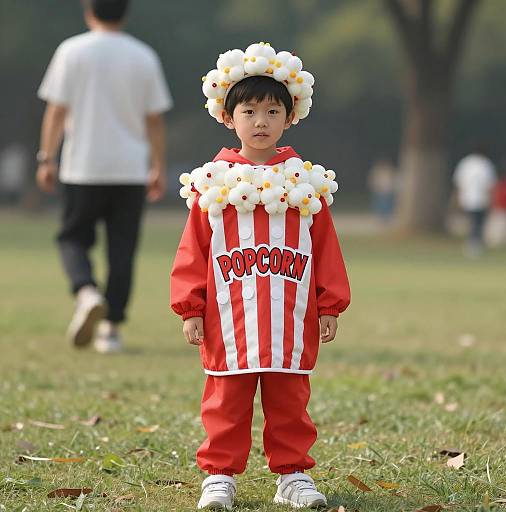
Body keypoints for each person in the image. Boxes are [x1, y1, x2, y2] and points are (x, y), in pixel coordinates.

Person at [170, 43, 350, 509]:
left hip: (290, 315)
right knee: (226, 400)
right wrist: (190, 306)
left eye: (273, 110)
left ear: (290, 117)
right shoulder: (214, 184)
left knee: (290, 399)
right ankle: (220, 476)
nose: (261, 121)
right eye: (249, 111)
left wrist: (329, 304)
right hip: (228, 318)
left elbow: (326, 250)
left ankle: (292, 475)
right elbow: (193, 251)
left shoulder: (305, 185)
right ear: (229, 118)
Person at [36, 0, 172, 353]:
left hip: (82, 166)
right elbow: (154, 119)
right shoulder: (143, 56)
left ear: (88, 11)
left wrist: (46, 158)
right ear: (125, 13)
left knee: (72, 238)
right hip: (129, 169)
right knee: (122, 249)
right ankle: (110, 329)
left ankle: (85, 291)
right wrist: (158, 166)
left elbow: (56, 110)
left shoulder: (72, 51)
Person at [453, 145, 496, 257]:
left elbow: (459, 183)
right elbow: (490, 185)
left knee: (474, 223)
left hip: (469, 199)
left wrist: (457, 198)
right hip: (479, 199)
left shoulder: (466, 163)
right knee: (477, 223)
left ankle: (473, 245)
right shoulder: (486, 164)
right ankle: (474, 246)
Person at [367, 157, 397, 222]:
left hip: (388, 191)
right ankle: (381, 217)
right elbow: (373, 180)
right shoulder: (377, 171)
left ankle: (386, 217)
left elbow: (393, 181)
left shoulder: (390, 171)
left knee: (387, 205)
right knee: (380, 204)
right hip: (380, 191)